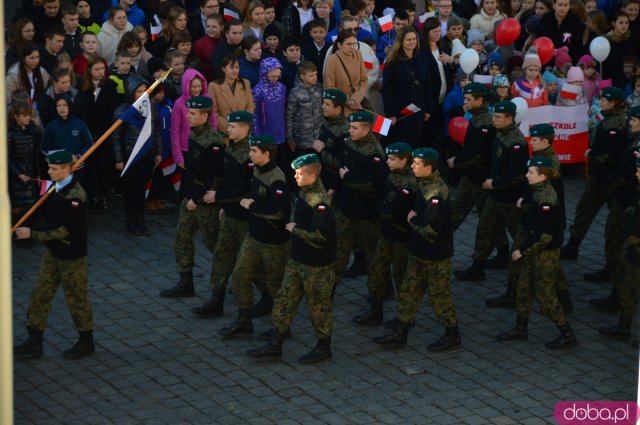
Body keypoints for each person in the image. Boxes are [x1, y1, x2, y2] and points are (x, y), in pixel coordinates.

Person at [247, 153, 337, 363]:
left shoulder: (320, 202)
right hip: (298, 259)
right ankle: (275, 342)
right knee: (284, 299)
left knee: (318, 306)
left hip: (317, 264)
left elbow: (320, 235)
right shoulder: (305, 191)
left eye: (299, 173)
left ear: (313, 175)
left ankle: (324, 347)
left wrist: (295, 229)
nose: (295, 177)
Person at [373, 147, 462, 352]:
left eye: (416, 164)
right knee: (408, 292)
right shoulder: (423, 184)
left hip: (435, 256)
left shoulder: (435, 193)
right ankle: (401, 331)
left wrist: (412, 219)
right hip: (418, 251)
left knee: (439, 296)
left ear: (429, 167)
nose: (412, 166)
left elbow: (429, 229)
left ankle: (452, 334)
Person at [14, 151, 95, 360]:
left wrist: (31, 233)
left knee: (77, 298)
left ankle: (86, 341)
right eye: (49, 167)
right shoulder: (57, 189)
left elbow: (63, 230)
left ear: (67, 169)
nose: (49, 171)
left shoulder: (75, 196)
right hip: (54, 253)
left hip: (71, 255)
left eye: (54, 168)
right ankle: (34, 341)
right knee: (40, 294)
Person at [497, 157, 577, 350]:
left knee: (546, 297)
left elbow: (545, 237)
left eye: (531, 172)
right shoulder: (537, 193)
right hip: (534, 252)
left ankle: (567, 333)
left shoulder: (546, 200)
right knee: (524, 290)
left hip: (545, 256)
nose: (527, 175)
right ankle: (520, 329)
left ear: (542, 175)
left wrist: (521, 251)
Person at [218, 134, 292, 338]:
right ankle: (244, 321)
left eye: (254, 151)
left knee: (276, 285)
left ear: (266, 154)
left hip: (274, 241)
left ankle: (282, 328)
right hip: (255, 235)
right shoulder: (258, 170)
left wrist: (252, 206)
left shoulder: (277, 179)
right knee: (240, 275)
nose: (249, 154)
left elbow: (277, 212)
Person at [455, 101, 529, 281]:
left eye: (498, 117)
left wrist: (495, 183)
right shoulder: (500, 135)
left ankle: (530, 270)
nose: (493, 120)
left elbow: (517, 175)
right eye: (494, 116)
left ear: (509, 119)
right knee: (484, 229)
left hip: (509, 199)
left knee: (519, 234)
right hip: (494, 196)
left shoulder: (516, 142)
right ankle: (477, 266)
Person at [159, 96, 225, 298]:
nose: (188, 116)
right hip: (190, 199)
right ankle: (185, 281)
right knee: (182, 237)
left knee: (216, 246)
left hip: (204, 203)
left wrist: (196, 199)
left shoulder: (214, 142)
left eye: (193, 113)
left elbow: (215, 178)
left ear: (205, 116)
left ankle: (230, 284)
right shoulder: (195, 136)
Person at [561, 87, 628, 280]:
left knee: (613, 222)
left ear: (614, 102)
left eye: (605, 99)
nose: (602, 101)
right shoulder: (607, 119)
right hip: (602, 178)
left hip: (607, 179)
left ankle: (612, 264)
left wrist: (593, 156)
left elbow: (612, 156)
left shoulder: (615, 124)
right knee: (584, 211)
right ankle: (573, 246)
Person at [189, 111, 254, 314]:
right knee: (221, 256)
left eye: (233, 127)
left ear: (244, 129)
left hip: (244, 219)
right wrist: (224, 205)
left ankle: (266, 298)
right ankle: (216, 301)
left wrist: (218, 198)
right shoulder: (230, 149)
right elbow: (225, 179)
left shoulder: (249, 155)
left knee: (251, 263)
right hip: (229, 214)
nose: (229, 129)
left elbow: (243, 190)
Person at [352, 142, 417, 326]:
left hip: (401, 236)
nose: (387, 162)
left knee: (401, 277)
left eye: (392, 159)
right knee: (376, 270)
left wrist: (381, 209)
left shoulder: (409, 183)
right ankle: (375, 310)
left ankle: (405, 317)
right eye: (388, 158)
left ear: (405, 160)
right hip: (387, 233)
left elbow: (394, 210)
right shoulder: (392, 176)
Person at [331, 111, 387, 294]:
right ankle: (329, 290)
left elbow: (375, 185)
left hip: (367, 214)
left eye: (354, 128)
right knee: (339, 251)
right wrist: (334, 188)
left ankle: (380, 293)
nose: (350, 131)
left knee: (374, 257)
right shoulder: (348, 142)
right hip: (346, 208)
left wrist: (348, 177)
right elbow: (341, 165)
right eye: (350, 127)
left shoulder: (375, 153)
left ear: (367, 129)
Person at [111, 75, 163, 235]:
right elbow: (115, 137)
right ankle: (131, 221)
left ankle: (141, 220)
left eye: (144, 90)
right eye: (138, 91)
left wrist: (159, 151)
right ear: (131, 92)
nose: (142, 94)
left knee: (141, 190)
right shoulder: (122, 111)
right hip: (130, 156)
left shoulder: (151, 108)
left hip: (147, 155)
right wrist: (118, 159)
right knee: (130, 191)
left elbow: (157, 132)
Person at [599, 157, 640, 341]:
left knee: (629, 289)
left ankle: (624, 327)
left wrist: (626, 239)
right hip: (632, 248)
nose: (636, 173)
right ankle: (623, 325)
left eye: (639, 170)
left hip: (635, 251)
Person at [74, 54, 120, 213]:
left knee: (104, 167)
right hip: (88, 134)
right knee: (90, 169)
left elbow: (111, 112)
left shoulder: (110, 86)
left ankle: (104, 197)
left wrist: (101, 131)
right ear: (89, 70)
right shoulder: (83, 88)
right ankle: (92, 197)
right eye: (97, 69)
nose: (101, 72)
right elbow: (82, 111)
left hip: (104, 134)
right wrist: (89, 132)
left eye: (103, 69)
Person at [382, 26, 433, 150]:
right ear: (401, 42)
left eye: (414, 39)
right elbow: (387, 90)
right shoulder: (392, 61)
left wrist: (428, 109)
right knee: (402, 145)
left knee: (416, 143)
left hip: (418, 109)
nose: (412, 42)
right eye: (408, 40)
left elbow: (427, 84)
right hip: (400, 111)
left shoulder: (423, 58)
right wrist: (390, 114)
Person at [170, 68, 216, 170]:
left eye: (199, 86)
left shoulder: (208, 100)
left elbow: (213, 125)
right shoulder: (179, 104)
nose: (197, 89)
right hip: (186, 149)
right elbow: (175, 131)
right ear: (187, 86)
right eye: (194, 86)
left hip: (205, 147)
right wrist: (178, 157)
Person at [42, 93, 93, 183]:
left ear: (70, 105)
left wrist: (77, 157)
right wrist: (58, 158)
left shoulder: (80, 124)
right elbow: (44, 149)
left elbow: (89, 144)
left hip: (77, 168)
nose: (62, 108)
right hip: (59, 170)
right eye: (58, 106)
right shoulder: (51, 126)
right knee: (61, 195)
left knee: (77, 194)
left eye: (65, 105)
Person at [8, 101, 44, 219]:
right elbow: (8, 158)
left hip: (32, 175)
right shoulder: (10, 134)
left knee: (32, 206)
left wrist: (38, 174)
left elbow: (36, 155)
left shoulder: (32, 131)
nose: (28, 117)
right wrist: (18, 174)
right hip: (17, 179)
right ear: (16, 116)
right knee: (20, 208)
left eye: (29, 114)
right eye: (25, 115)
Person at [208, 54, 255, 142]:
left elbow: (250, 108)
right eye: (231, 68)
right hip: (225, 135)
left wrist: (243, 129)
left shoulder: (246, 83)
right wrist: (233, 129)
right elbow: (214, 113)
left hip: (244, 135)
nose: (235, 70)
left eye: (237, 67)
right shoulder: (214, 86)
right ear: (223, 69)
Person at [323, 30, 368, 116]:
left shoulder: (358, 54)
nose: (352, 47)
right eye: (348, 44)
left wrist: (355, 99)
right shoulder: (332, 60)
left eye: (354, 44)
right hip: (340, 108)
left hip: (356, 104)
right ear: (339, 45)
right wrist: (347, 101)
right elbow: (329, 88)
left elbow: (364, 80)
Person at [313, 89, 349, 193]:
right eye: (323, 103)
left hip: (332, 183)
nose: (323, 106)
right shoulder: (327, 120)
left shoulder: (345, 131)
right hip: (319, 175)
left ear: (338, 108)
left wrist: (322, 150)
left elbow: (342, 163)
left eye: (327, 104)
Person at [286, 61, 323, 158]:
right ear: (302, 76)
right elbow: (289, 116)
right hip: (302, 139)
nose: (314, 77)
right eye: (311, 75)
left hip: (319, 137)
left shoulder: (320, 88)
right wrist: (289, 137)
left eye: (315, 74)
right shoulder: (295, 93)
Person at [6, 42, 50, 107]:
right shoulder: (13, 76)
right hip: (20, 110)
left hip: (39, 108)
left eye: (37, 57)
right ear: (23, 59)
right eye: (31, 58)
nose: (35, 61)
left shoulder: (42, 72)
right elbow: (8, 99)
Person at [194, 14, 222, 82]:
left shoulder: (227, 40)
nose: (210, 29)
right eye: (208, 26)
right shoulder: (199, 44)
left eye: (214, 27)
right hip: (207, 80)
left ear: (221, 27)